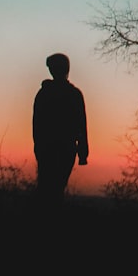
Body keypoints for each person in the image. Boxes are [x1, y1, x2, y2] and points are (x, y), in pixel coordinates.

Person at [32, 52, 89, 208]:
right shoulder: (73, 94)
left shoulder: (45, 93)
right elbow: (81, 125)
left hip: (54, 149)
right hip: (60, 149)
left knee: (50, 189)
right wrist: (82, 152)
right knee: (53, 190)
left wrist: (38, 147)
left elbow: (37, 125)